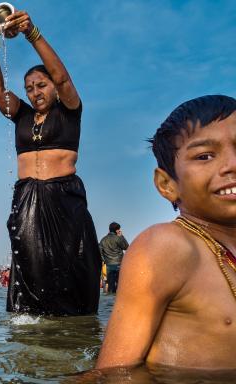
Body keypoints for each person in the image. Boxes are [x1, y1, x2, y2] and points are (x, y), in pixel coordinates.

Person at [96, 95, 236, 370]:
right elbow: (115, 372)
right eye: (205, 156)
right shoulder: (167, 247)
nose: (231, 164)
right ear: (167, 184)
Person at [0, 9, 101, 315]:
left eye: (41, 85)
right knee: (29, 268)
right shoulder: (21, 115)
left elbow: (62, 76)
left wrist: (31, 33)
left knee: (70, 265)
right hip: (27, 198)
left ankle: (71, 329)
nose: (35, 93)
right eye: (29, 88)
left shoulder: (70, 109)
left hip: (63, 197)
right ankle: (30, 329)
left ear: (54, 89)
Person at [98, 222, 129, 294]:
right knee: (120, 285)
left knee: (111, 287)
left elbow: (100, 252)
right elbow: (126, 247)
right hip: (119, 263)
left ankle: (110, 301)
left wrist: (104, 260)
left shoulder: (103, 240)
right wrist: (121, 236)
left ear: (109, 229)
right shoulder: (118, 238)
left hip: (109, 264)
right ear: (117, 230)